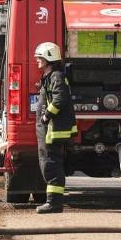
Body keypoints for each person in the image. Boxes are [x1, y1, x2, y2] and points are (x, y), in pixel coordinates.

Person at [33, 42, 77, 214]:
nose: (37, 60)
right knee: (48, 163)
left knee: (51, 164)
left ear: (48, 59)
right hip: (48, 129)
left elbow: (60, 99)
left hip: (53, 129)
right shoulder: (50, 76)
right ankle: (53, 202)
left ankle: (54, 204)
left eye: (40, 58)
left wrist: (46, 116)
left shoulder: (56, 76)